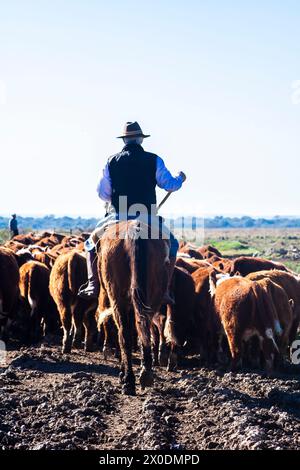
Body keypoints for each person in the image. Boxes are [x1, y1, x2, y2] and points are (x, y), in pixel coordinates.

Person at [78, 121, 186, 301]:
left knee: (90, 244)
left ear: (124, 140)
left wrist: (114, 198)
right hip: (147, 217)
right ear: (140, 140)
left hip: (118, 217)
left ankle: (93, 284)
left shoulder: (111, 161)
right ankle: (165, 289)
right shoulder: (154, 159)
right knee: (173, 245)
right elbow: (170, 185)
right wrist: (180, 179)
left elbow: (102, 193)